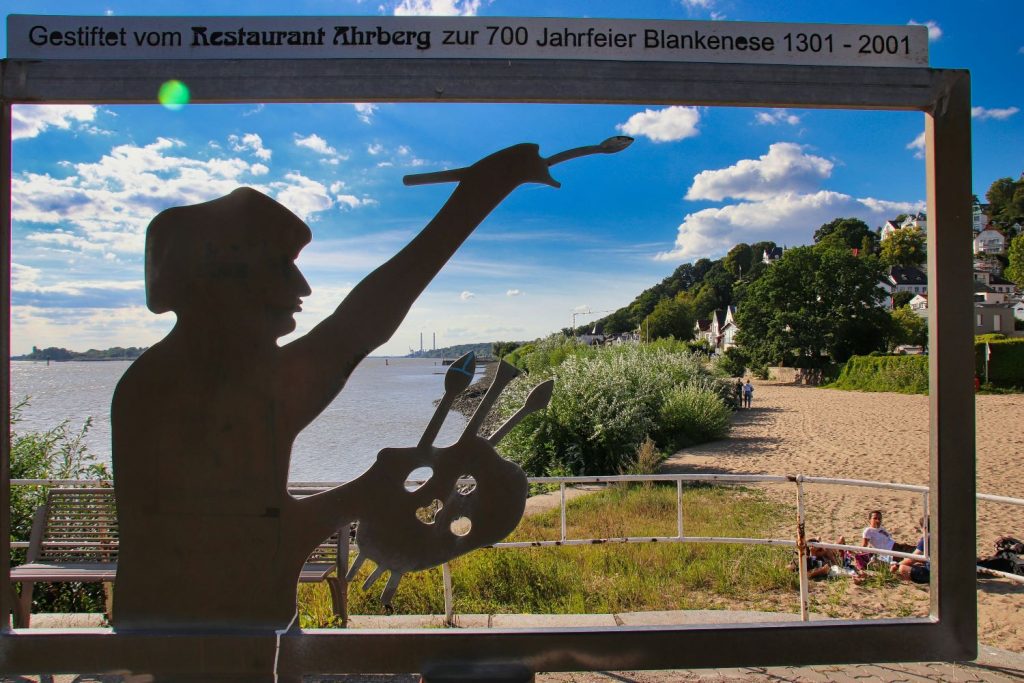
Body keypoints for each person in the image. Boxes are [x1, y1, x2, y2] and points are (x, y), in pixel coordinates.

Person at [111, 144, 568, 632]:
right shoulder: (206, 386)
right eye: (281, 266)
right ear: (222, 276)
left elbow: (238, 531)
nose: (303, 288)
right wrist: (364, 495)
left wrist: (365, 495)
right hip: (215, 642)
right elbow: (237, 542)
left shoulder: (163, 379)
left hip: (201, 626)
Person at [892, 517, 930, 584]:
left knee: (903, 568)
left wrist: (897, 565)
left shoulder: (926, 539)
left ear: (923, 528)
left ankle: (909, 584)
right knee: (918, 562)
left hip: (933, 573)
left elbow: (911, 559)